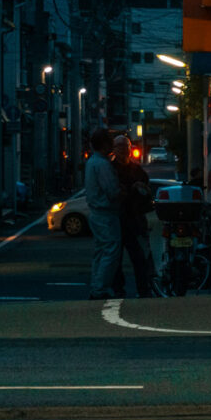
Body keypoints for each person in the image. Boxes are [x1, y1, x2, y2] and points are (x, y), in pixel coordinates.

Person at [110, 135, 154, 298]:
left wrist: (141, 189)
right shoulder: (110, 169)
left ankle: (143, 288)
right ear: (114, 150)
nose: (122, 150)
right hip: (117, 218)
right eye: (119, 147)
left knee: (139, 257)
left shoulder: (137, 170)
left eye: (125, 147)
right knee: (116, 258)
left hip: (134, 219)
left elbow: (147, 191)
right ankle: (118, 289)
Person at [85, 128, 124, 299]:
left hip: (96, 212)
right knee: (111, 250)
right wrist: (124, 192)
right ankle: (100, 288)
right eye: (110, 143)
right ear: (105, 144)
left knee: (101, 251)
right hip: (106, 212)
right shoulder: (103, 164)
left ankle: (96, 286)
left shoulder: (92, 162)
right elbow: (112, 190)